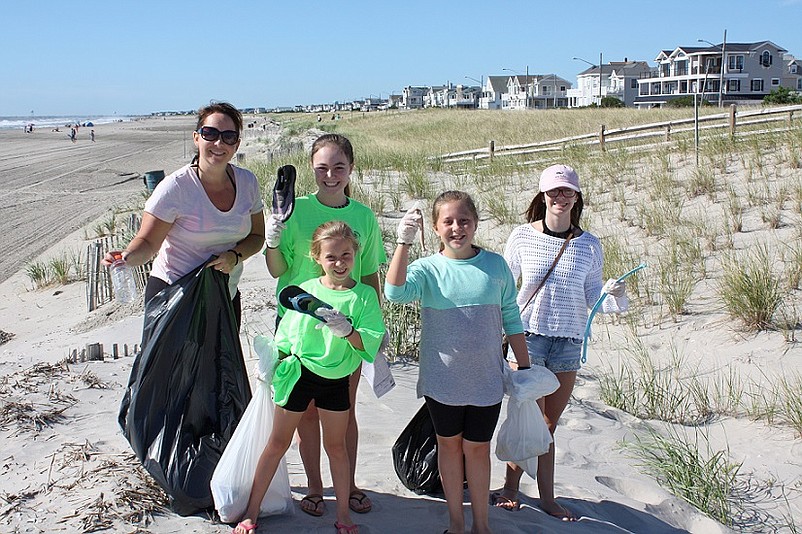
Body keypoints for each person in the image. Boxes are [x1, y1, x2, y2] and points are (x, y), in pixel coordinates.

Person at [385, 191, 531, 534]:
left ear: (475, 223)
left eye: (464, 220)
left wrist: (525, 369)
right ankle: (456, 523)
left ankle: (482, 525)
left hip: (486, 381)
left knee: (478, 450)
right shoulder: (427, 269)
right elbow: (394, 293)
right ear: (435, 228)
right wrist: (403, 243)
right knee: (449, 447)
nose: (456, 228)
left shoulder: (495, 266)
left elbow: (511, 316)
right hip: (442, 381)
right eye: (447, 221)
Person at [493, 164, 627, 520]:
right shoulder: (522, 235)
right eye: (554, 191)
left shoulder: (589, 244)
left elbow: (591, 296)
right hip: (528, 339)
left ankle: (547, 497)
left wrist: (614, 293)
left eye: (567, 191)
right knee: (525, 417)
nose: (560, 198)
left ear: (577, 197)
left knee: (550, 425)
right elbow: (504, 286)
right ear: (542, 195)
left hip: (568, 342)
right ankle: (509, 487)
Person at [234, 221, 385, 534]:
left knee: (337, 448)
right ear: (317, 257)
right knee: (277, 443)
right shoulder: (307, 292)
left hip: (336, 380)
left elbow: (368, 342)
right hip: (299, 375)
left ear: (355, 253)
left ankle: (343, 516)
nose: (339, 262)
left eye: (346, 255)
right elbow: (287, 337)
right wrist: (272, 359)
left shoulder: (364, 296)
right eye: (331, 257)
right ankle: (250, 513)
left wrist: (347, 331)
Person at [264, 133, 385, 517]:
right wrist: (271, 240)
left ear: (351, 169)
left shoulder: (364, 216)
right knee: (306, 413)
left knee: (344, 410)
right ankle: (315, 487)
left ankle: (347, 487)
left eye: (338, 167)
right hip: (297, 324)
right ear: (311, 170)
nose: (330, 175)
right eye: (322, 168)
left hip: (346, 328)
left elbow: (369, 276)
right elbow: (277, 271)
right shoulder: (293, 210)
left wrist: (373, 333)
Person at [102, 101, 266, 329]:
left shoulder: (248, 182)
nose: (219, 143)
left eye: (228, 136)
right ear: (197, 138)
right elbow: (148, 242)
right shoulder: (175, 187)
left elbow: (257, 237)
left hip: (224, 295)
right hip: (175, 297)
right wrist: (127, 257)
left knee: (223, 365)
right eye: (210, 133)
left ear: (236, 145)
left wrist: (234, 256)